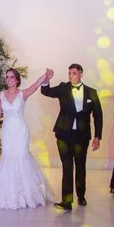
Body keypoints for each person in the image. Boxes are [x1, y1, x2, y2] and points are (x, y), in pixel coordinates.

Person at [41, 64, 103, 210]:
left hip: (82, 136)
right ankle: (67, 201)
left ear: (81, 74)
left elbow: (98, 116)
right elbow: (46, 92)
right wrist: (46, 80)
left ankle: (81, 196)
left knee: (80, 166)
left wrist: (97, 136)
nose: (70, 76)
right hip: (63, 134)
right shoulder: (63, 88)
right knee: (67, 166)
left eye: (74, 73)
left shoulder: (91, 92)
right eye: (69, 73)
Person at [0, 69, 53, 210]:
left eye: (12, 77)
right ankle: (9, 195)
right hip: (7, 131)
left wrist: (45, 75)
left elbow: (35, 86)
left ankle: (27, 195)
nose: (9, 79)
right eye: (7, 77)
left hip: (20, 131)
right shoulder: (0, 95)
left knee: (21, 157)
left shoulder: (23, 94)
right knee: (8, 158)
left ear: (17, 80)